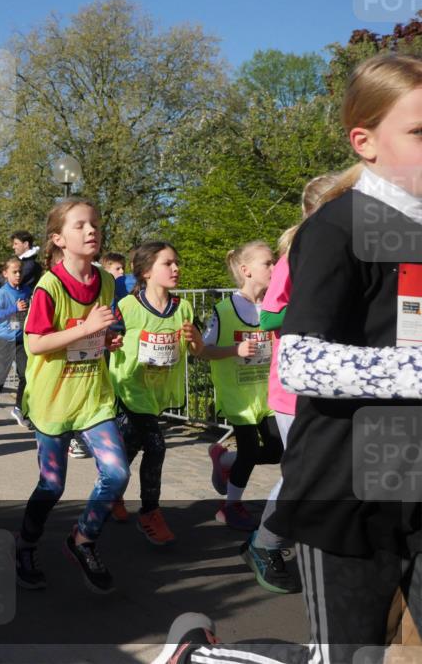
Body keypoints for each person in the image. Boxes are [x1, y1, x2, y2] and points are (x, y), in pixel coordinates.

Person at [155, 53, 422, 664]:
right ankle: (199, 657)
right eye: (419, 131)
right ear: (364, 142)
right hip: (345, 487)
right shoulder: (337, 228)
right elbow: (299, 361)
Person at [14, 198, 127, 594]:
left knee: (117, 473)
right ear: (59, 239)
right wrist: (87, 329)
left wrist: (105, 339)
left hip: (93, 396)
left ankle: (82, 540)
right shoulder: (50, 286)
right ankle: (25, 546)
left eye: (94, 223)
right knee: (52, 486)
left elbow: (95, 331)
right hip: (54, 400)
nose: (91, 230)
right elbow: (35, 344)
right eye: (80, 225)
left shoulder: (107, 281)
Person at [239, 172, 338, 595]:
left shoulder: (350, 252)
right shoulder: (294, 256)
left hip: (335, 383)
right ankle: (266, 543)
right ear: (315, 212)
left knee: (332, 469)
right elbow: (269, 317)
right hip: (294, 387)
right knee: (304, 472)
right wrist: (317, 306)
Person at [107, 242, 204, 545]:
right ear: (146, 272)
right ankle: (150, 513)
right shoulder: (127, 307)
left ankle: (111, 493)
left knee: (130, 447)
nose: (176, 268)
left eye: (177, 262)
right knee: (156, 446)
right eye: (168, 263)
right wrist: (110, 341)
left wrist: (194, 338)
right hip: (128, 389)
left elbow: (198, 350)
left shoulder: (183, 308)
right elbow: (106, 341)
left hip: (157, 393)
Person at [198, 240, 281, 532]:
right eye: (267, 263)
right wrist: (235, 350)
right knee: (249, 451)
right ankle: (230, 507)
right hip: (238, 396)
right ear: (246, 270)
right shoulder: (224, 310)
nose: (274, 267)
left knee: (277, 450)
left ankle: (224, 459)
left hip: (266, 394)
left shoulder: (274, 306)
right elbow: (203, 351)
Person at [0, 256, 32, 428]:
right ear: (5, 273)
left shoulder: (26, 290)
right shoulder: (2, 293)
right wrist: (14, 308)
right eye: (14, 272)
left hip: (21, 341)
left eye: (20, 271)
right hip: (4, 340)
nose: (18, 275)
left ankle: (19, 408)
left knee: (26, 375)